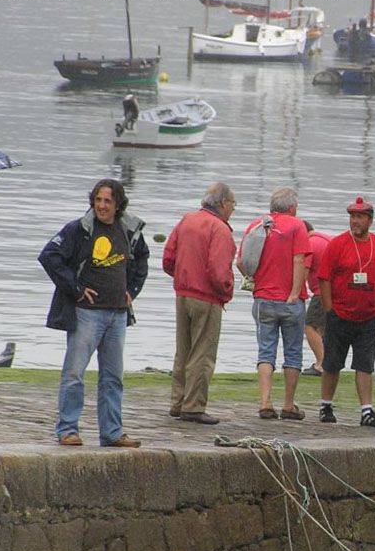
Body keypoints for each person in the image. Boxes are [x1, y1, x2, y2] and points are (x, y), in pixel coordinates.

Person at [38, 178, 148, 447]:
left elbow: (142, 259)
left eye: (107, 201)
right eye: (98, 200)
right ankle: (67, 429)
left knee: (113, 378)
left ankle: (112, 433)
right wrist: (75, 289)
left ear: (118, 204)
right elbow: (50, 256)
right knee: (74, 374)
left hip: (118, 315)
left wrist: (132, 291)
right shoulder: (79, 229)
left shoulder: (129, 229)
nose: (101, 206)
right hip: (86, 313)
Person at [161, 182, 237, 424]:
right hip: (207, 297)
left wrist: (183, 277)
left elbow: (168, 258)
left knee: (183, 350)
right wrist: (226, 290)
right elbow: (218, 269)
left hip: (183, 293)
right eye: (233, 205)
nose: (233, 210)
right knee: (202, 353)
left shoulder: (187, 220)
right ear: (223, 203)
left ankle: (178, 401)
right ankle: (193, 406)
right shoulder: (220, 229)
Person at [238, 187, 311, 420]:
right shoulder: (297, 226)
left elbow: (241, 261)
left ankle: (265, 402)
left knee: (266, 351)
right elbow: (300, 260)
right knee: (292, 353)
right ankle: (288, 405)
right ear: (292, 207)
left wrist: (255, 281)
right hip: (290, 301)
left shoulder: (257, 225)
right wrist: (294, 292)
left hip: (263, 299)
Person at [316, 197, 375, 428]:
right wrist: (330, 309)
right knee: (332, 363)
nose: (354, 221)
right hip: (340, 315)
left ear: (370, 220)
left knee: (365, 364)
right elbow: (324, 278)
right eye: (352, 216)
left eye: (359, 217)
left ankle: (366, 410)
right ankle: (325, 405)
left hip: (369, 317)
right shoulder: (337, 244)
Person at [301, 220, 333, 378]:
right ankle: (330, 363)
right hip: (337, 290)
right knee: (324, 329)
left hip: (323, 291)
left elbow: (302, 273)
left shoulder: (309, 245)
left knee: (310, 326)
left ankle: (321, 364)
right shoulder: (325, 239)